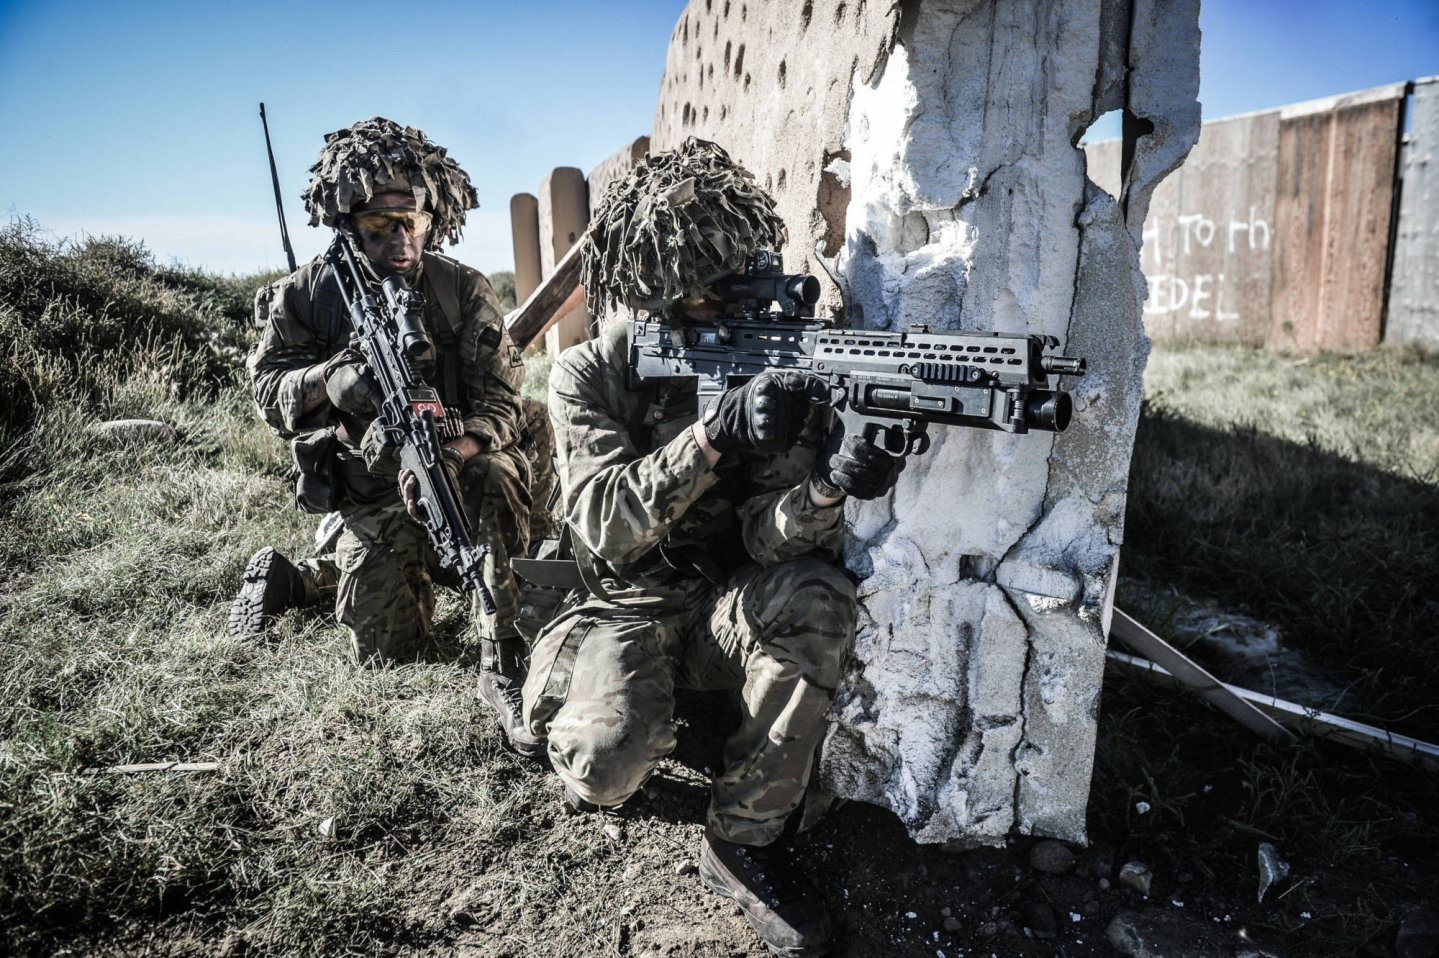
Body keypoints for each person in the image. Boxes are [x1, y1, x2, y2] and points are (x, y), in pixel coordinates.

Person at [521, 138, 903, 956]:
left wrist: (826, 486)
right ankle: (553, 681)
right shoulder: (587, 373)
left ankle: (743, 840)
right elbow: (601, 522)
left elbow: (770, 540)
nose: (734, 310)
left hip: (727, 601)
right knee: (602, 767)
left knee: (814, 593)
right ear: (655, 296)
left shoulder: (772, 355)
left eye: (744, 281)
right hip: (625, 599)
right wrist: (710, 438)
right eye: (706, 299)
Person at [234, 117, 544, 757]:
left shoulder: (461, 288)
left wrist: (456, 452)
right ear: (347, 224)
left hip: (451, 463)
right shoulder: (305, 297)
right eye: (381, 226)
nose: (402, 239)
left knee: (497, 475)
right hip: (370, 494)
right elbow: (267, 394)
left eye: (414, 222)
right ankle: (304, 577)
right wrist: (332, 377)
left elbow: (502, 397)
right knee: (391, 651)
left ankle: (503, 656)